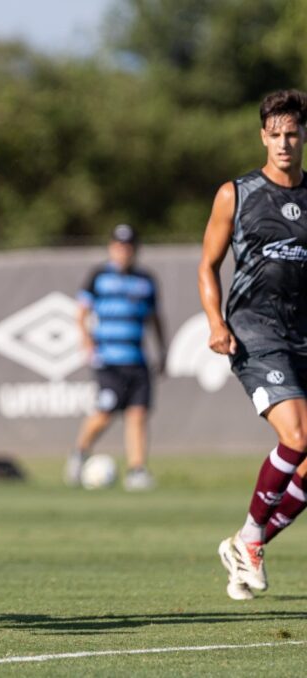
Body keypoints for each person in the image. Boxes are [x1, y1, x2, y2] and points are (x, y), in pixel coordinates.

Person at [200, 89, 307, 601]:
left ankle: (248, 539)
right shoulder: (236, 194)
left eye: (293, 133)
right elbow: (207, 266)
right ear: (263, 136)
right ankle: (250, 543)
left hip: (302, 332)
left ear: (303, 135)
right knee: (299, 434)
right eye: (276, 134)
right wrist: (215, 322)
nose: (284, 142)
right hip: (254, 330)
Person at [64, 224, 167, 491]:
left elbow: (155, 319)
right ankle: (79, 453)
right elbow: (82, 312)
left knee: (138, 414)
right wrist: (87, 343)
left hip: (137, 358)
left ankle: (137, 470)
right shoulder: (98, 275)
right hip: (108, 359)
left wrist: (162, 350)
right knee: (105, 411)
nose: (124, 251)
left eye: (129, 247)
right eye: (119, 246)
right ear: (112, 247)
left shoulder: (146, 280)